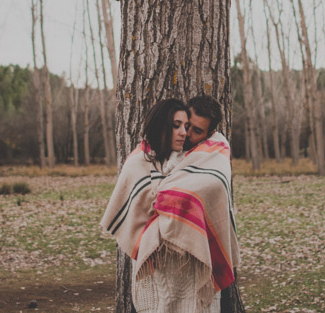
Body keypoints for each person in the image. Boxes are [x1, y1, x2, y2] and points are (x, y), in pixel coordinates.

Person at [101, 97, 239, 313]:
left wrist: (168, 199)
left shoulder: (214, 153)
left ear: (209, 133)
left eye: (195, 130)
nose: (186, 133)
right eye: (182, 125)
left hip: (199, 256)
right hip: (155, 263)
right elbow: (134, 206)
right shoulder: (141, 159)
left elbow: (212, 188)